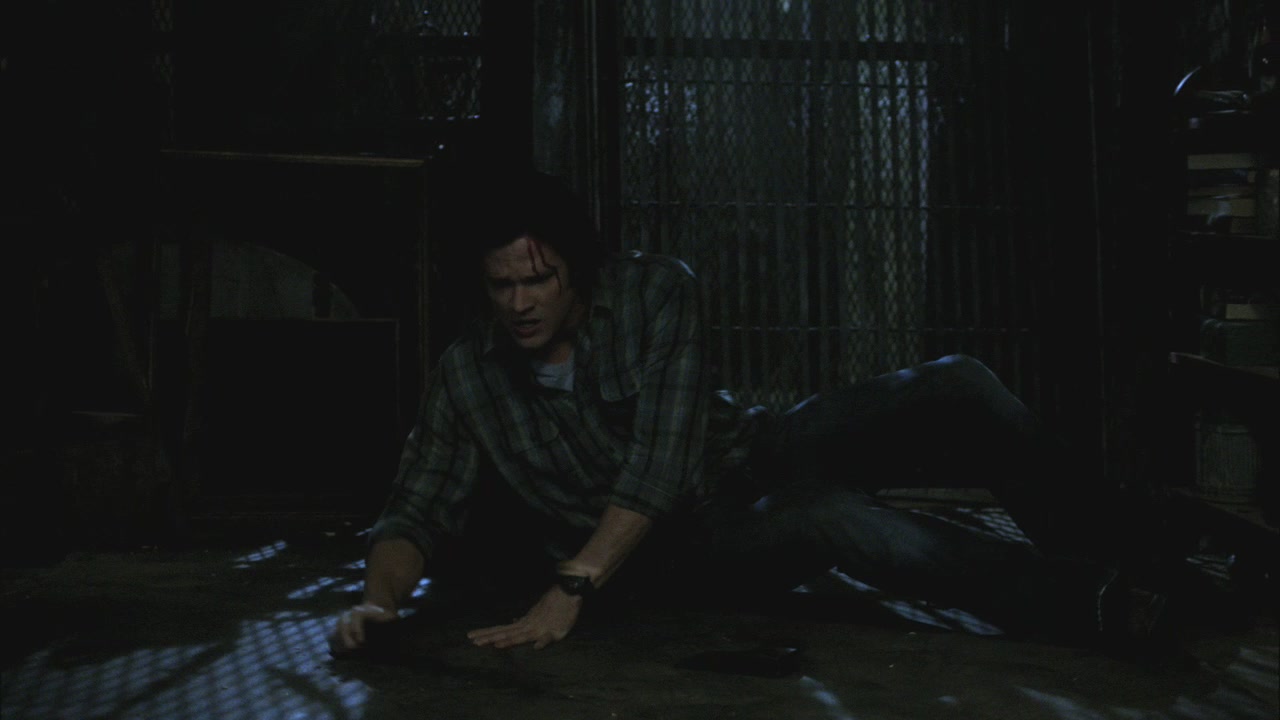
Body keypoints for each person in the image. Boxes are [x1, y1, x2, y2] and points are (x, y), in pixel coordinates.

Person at [328, 168, 1165, 657]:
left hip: (748, 450)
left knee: (957, 382)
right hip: (684, 544)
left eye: (537, 279)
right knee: (835, 517)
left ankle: (1139, 564)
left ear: (576, 270)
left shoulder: (656, 292)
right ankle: (1091, 605)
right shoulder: (468, 376)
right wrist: (379, 601)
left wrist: (565, 588)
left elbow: (661, 457)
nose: (519, 303)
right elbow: (417, 506)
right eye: (501, 285)